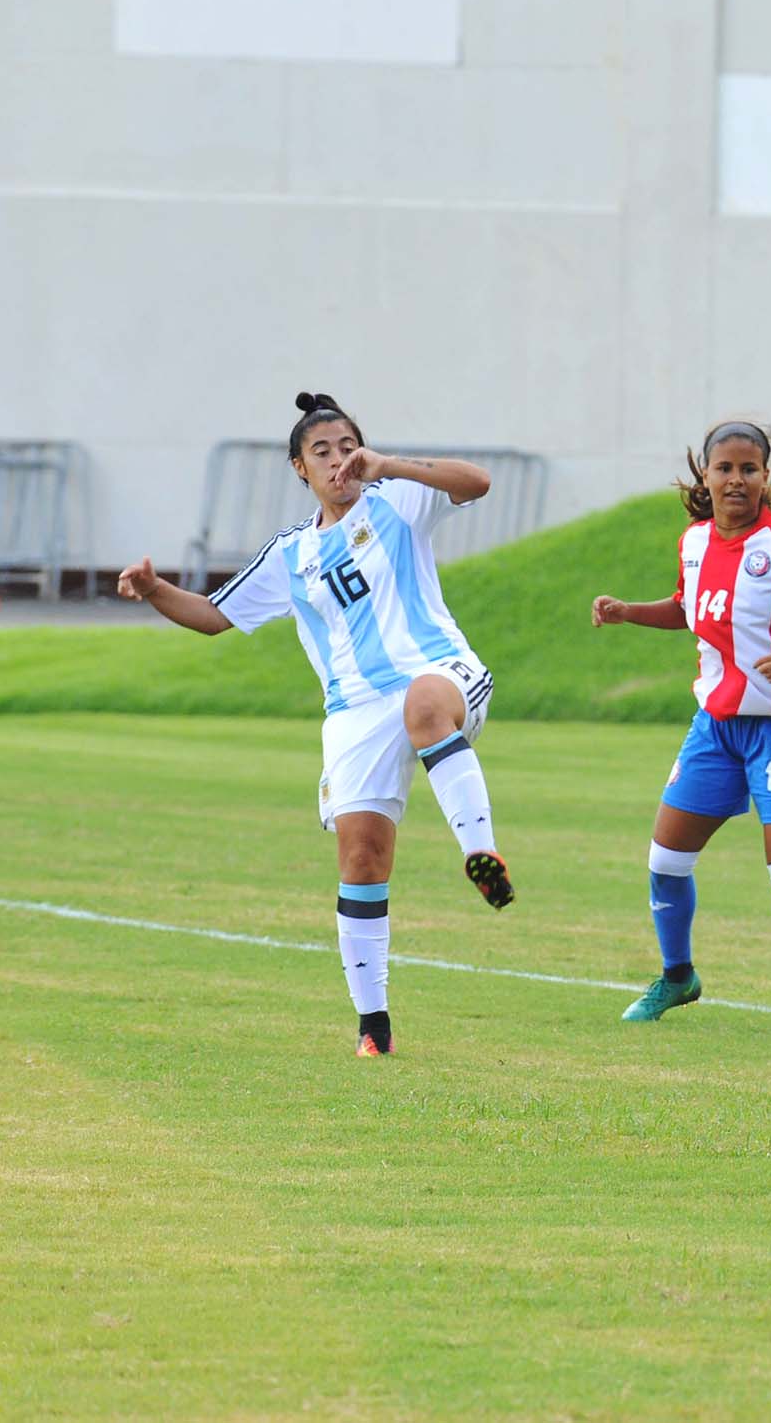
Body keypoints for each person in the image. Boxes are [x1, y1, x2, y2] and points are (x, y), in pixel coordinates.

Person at [115, 392, 513, 1058]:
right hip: (354, 711)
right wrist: (154, 590)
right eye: (321, 451)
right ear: (299, 468)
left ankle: (483, 854)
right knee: (361, 858)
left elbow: (477, 482)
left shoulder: (396, 499)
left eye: (347, 446)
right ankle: (373, 1028)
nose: (338, 460)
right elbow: (214, 616)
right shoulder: (291, 553)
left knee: (422, 705)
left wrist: (390, 464)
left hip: (437, 672)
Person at [591, 421, 771, 1033]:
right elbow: (688, 608)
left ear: (765, 477)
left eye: (748, 469)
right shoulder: (694, 542)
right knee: (666, 860)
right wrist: (630, 612)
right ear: (706, 475)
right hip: (715, 728)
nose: (736, 480)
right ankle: (677, 976)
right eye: (725, 468)